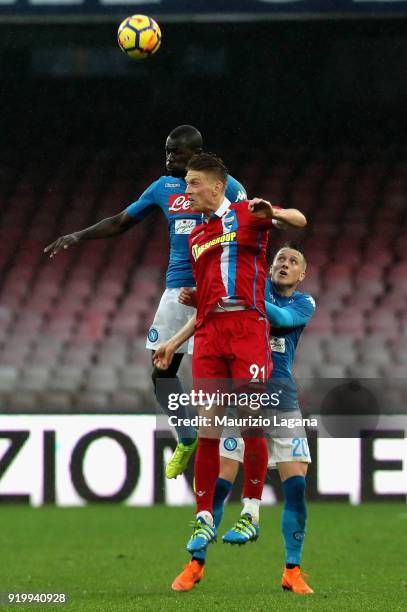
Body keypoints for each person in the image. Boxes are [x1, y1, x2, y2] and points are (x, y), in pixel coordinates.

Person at [43, 125, 247, 478]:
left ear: (195, 153)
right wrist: (80, 234)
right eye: (166, 151)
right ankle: (187, 438)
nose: (169, 158)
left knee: (215, 379)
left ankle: (231, 448)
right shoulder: (162, 188)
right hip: (176, 291)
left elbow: (247, 229)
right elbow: (122, 221)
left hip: (216, 290)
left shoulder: (226, 187)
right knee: (161, 371)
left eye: (177, 153)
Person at [153, 153, 307, 556]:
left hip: (246, 328)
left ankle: (251, 511)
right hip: (209, 332)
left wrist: (273, 211)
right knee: (209, 425)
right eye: (185, 184)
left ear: (217, 186)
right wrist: (172, 341)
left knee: (251, 420)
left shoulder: (248, 213)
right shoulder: (197, 237)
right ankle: (203, 517)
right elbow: (205, 302)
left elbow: (299, 220)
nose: (186, 193)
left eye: (193, 184)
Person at [169, 243, 316, 595]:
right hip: (240, 398)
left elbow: (280, 321)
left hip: (281, 402)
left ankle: (292, 570)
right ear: (269, 266)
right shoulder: (250, 290)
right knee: (221, 483)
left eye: (293, 261)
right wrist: (209, 303)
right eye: (280, 258)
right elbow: (209, 314)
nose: (285, 263)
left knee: (295, 488)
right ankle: (195, 564)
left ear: (301, 274)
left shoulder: (303, 303)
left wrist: (233, 301)